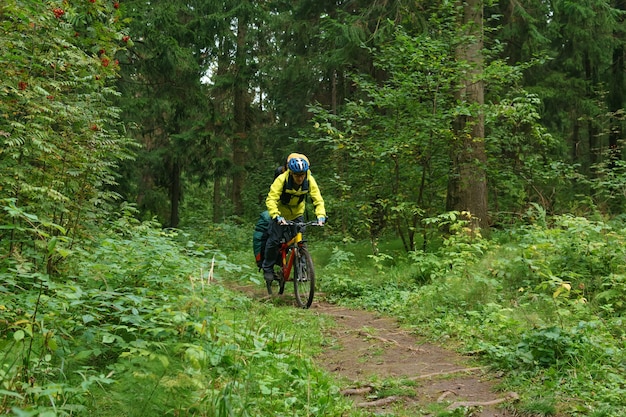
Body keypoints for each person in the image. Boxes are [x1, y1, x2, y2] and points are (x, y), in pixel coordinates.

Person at [261, 155, 326, 284]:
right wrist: (276, 215)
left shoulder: (309, 179)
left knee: (300, 241)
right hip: (281, 214)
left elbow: (317, 199)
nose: (300, 178)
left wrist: (321, 216)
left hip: (297, 213)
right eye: (297, 175)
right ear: (291, 173)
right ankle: (267, 268)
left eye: (302, 175)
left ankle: (302, 270)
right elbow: (271, 199)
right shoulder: (281, 179)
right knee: (273, 241)